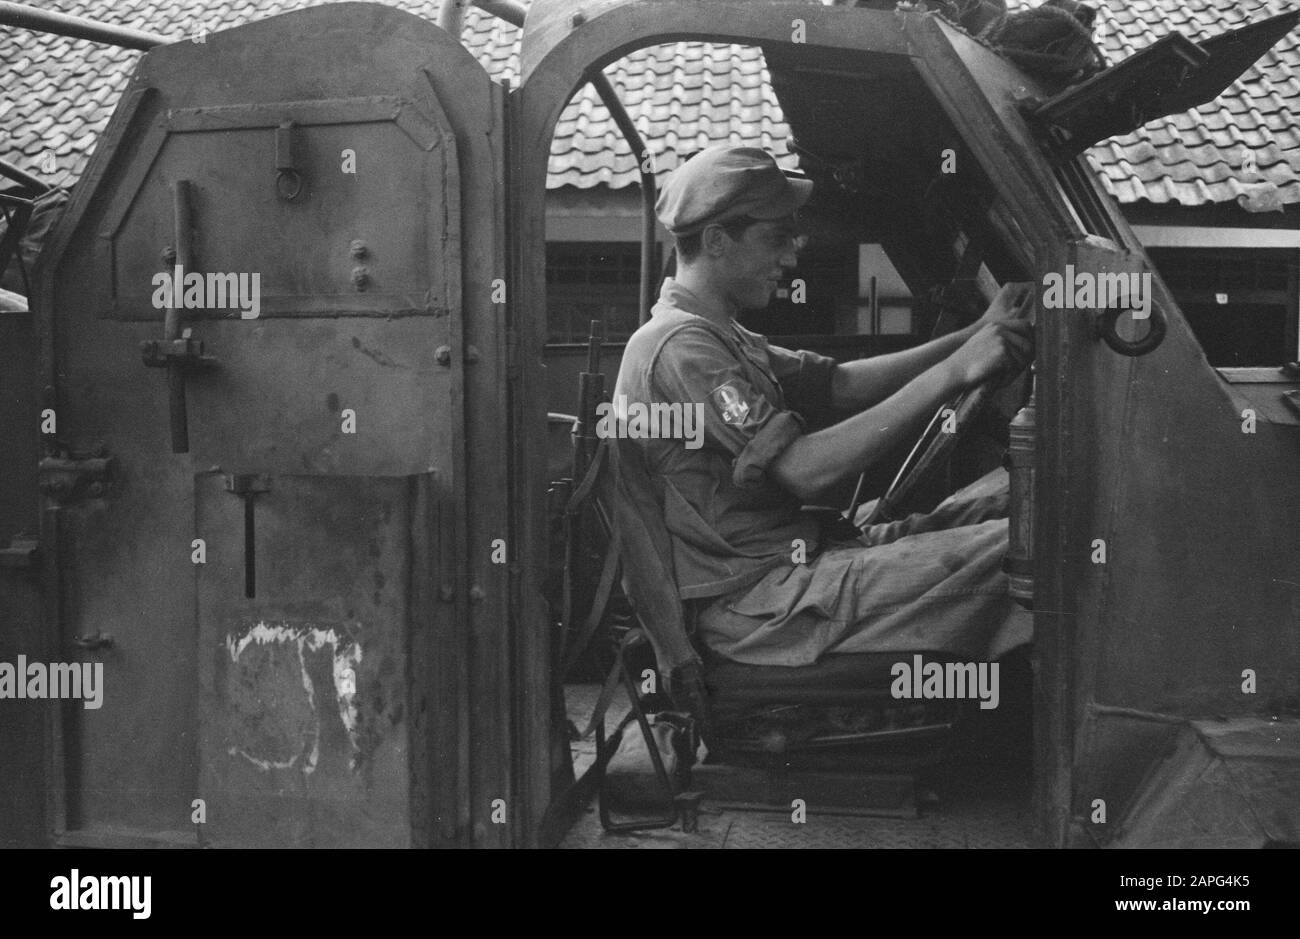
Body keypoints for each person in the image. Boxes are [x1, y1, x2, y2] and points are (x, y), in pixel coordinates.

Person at [613, 144, 1035, 668]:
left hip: (795, 563)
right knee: (1034, 547)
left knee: (1010, 500)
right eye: (776, 238)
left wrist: (974, 335)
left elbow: (839, 385)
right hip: (760, 603)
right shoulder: (681, 348)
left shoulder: (720, 334)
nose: (790, 256)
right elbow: (805, 472)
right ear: (717, 241)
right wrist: (955, 372)